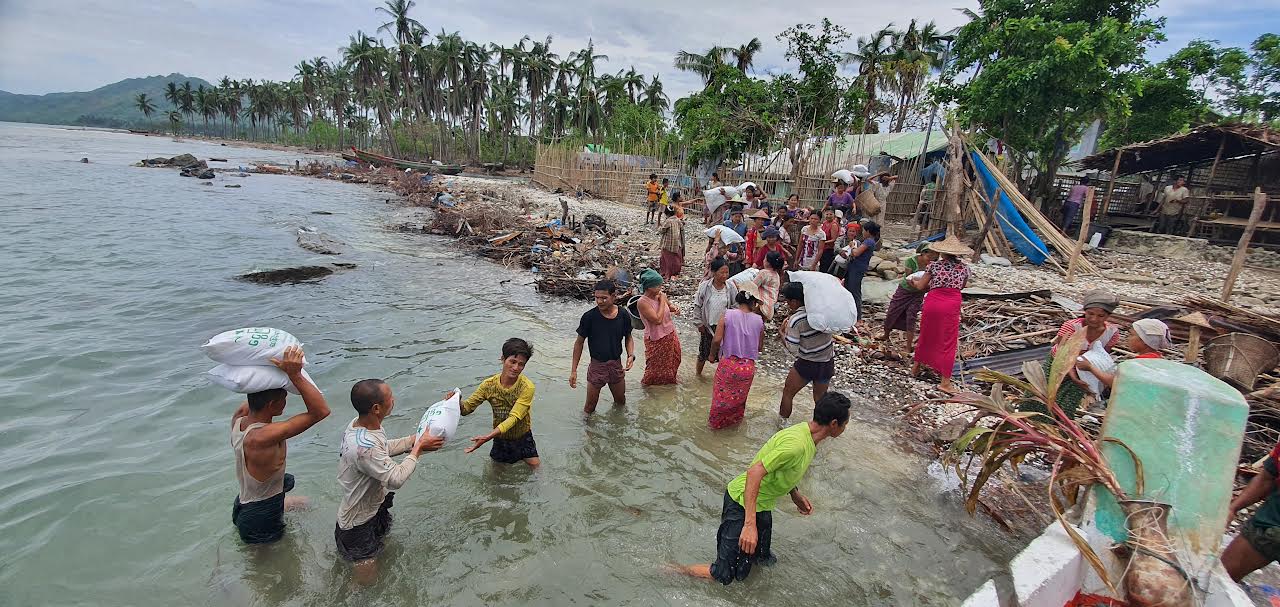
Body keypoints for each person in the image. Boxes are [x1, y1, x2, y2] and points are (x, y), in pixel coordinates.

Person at [673, 392, 852, 585]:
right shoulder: (796, 445)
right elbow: (755, 472)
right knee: (724, 575)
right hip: (741, 502)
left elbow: (783, 469)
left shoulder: (809, 437)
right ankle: (671, 572)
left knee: (762, 560)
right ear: (834, 423)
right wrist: (749, 526)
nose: (845, 428)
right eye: (845, 424)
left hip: (762, 504)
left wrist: (794, 493)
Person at [335, 378, 443, 583]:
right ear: (377, 408)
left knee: (383, 559)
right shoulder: (364, 447)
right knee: (366, 585)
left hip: (373, 512)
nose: (394, 400)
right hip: (357, 527)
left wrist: (413, 440)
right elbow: (396, 479)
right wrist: (418, 450)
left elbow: (381, 449)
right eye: (390, 397)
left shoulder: (361, 427)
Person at [230, 345, 330, 545]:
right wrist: (295, 375)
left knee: (305, 504)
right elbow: (320, 411)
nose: (286, 402)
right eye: (283, 399)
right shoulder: (263, 436)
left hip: (244, 503)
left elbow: (254, 389)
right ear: (271, 405)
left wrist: (270, 362)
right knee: (268, 571)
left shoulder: (239, 419)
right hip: (260, 517)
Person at [1041, 289, 1122, 417]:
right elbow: (1062, 352)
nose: (1094, 319)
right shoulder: (1071, 327)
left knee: (1069, 401)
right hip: (1058, 363)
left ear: (1108, 316)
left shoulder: (1112, 332)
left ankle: (1060, 424)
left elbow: (1102, 356)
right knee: (1044, 393)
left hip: (1083, 369)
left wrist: (1092, 375)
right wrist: (1072, 374)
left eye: (1101, 316)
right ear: (1084, 311)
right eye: (1090, 313)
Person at [910, 235, 972, 394]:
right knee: (947, 341)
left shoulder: (934, 266)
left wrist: (914, 282)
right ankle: (945, 381)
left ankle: (916, 368)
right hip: (951, 304)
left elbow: (921, 286)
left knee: (926, 335)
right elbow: (961, 287)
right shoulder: (964, 268)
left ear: (942, 253)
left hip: (934, 302)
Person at [570, 280, 636, 414]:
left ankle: (619, 428)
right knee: (590, 407)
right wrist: (573, 370)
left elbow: (628, 337)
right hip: (597, 366)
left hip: (616, 365)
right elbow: (579, 343)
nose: (599, 302)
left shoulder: (623, 315)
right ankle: (588, 433)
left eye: (604, 298)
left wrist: (630, 355)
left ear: (614, 296)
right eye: (597, 298)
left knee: (620, 401)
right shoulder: (589, 317)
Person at [709, 285, 766, 429]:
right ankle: (733, 426)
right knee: (739, 401)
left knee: (720, 399)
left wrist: (711, 355)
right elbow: (759, 347)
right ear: (753, 303)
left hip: (729, 365)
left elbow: (716, 340)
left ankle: (715, 427)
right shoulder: (759, 321)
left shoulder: (727, 314)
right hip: (747, 368)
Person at [1223, 439, 1280, 582]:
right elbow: (1267, 478)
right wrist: (1233, 508)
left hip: (1270, 526)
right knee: (1221, 578)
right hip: (1269, 526)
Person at [779, 282, 835, 418]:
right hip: (827, 362)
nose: (787, 304)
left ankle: (782, 426)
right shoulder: (822, 311)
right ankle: (821, 429)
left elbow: (793, 349)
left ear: (794, 301)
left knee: (788, 393)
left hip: (807, 363)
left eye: (787, 301)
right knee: (820, 400)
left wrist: (782, 333)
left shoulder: (795, 320)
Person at [1074, 318, 1170, 391]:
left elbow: (1115, 383)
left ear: (1144, 341)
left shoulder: (1140, 364)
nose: (1128, 338)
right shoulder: (1157, 358)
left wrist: (1090, 367)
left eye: (1132, 335)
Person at [881, 243, 939, 359]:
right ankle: (886, 335)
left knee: (911, 317)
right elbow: (909, 279)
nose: (930, 260)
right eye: (929, 257)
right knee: (893, 311)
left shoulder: (934, 265)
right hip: (905, 290)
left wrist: (923, 286)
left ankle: (908, 346)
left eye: (934, 257)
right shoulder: (910, 261)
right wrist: (922, 285)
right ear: (923, 253)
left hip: (918, 293)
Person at [693, 258, 739, 376]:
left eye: (727, 272)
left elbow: (735, 305)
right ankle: (698, 376)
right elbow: (698, 305)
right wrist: (699, 323)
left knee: (724, 354)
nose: (725, 275)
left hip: (724, 326)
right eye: (722, 272)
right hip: (708, 325)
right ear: (714, 272)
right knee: (703, 353)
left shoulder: (731, 287)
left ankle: (721, 377)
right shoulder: (705, 287)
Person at [636, 269, 682, 385]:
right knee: (654, 369)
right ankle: (650, 390)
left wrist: (675, 308)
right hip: (656, 339)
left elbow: (669, 306)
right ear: (648, 287)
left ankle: (669, 384)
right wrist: (662, 301)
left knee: (674, 361)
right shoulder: (642, 302)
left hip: (670, 334)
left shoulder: (660, 296)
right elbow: (657, 320)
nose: (660, 288)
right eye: (657, 286)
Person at [839, 221, 880, 320]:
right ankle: (850, 313)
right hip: (856, 267)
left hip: (857, 268)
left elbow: (856, 253)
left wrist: (852, 246)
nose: (862, 232)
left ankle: (857, 317)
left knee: (855, 291)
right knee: (849, 289)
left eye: (864, 230)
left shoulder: (868, 241)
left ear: (868, 231)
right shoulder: (869, 241)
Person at [752, 250, 788, 322]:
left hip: (761, 306)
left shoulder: (764, 273)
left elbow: (752, 286)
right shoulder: (776, 275)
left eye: (764, 258)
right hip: (770, 308)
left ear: (767, 262)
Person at [658, 206, 685, 279]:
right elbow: (682, 229)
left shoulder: (668, 221)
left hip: (668, 244)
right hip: (677, 244)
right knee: (675, 258)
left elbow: (661, 230)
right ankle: (675, 272)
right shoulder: (678, 220)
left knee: (667, 259)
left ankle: (666, 273)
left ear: (666, 213)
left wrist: (659, 227)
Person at [722, 209, 749, 275]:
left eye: (739, 217)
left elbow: (745, 237)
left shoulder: (744, 225)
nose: (738, 218)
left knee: (737, 268)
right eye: (736, 216)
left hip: (739, 250)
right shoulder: (726, 224)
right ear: (731, 216)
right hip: (727, 248)